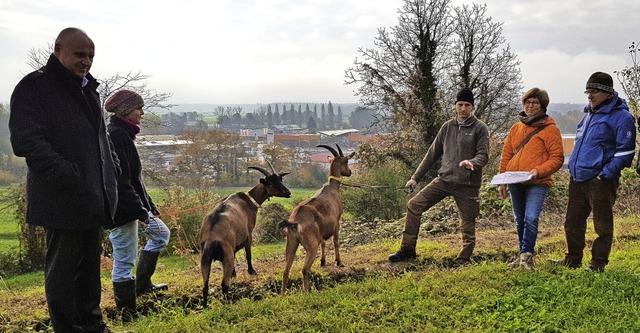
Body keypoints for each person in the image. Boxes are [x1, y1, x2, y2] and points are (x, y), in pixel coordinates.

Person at [9, 28, 118, 332]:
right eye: (79, 54)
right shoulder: (35, 87)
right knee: (64, 274)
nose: (86, 61)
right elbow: (26, 142)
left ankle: (93, 326)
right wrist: (69, 174)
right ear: (58, 50)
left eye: (91, 56)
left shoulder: (87, 88)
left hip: (92, 197)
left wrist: (112, 170)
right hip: (61, 199)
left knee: (88, 274)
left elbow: (99, 141)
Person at [388, 88, 489, 266]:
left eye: (467, 105)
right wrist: (415, 178)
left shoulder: (480, 128)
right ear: (455, 106)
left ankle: (463, 259)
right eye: (460, 105)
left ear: (472, 107)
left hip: (467, 184)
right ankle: (407, 250)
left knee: (467, 222)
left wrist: (472, 162)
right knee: (414, 205)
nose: (463, 108)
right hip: (444, 180)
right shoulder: (447, 127)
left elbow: (483, 155)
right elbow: (431, 154)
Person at [555, 72, 636, 272]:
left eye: (595, 92)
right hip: (578, 178)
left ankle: (598, 264)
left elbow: (625, 152)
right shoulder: (587, 116)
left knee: (602, 225)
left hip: (601, 181)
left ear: (608, 93)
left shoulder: (622, 118)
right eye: (588, 92)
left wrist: (605, 175)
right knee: (572, 222)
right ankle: (572, 260)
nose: (590, 96)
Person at [104, 90, 171, 318]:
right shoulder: (117, 135)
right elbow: (121, 182)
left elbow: (135, 179)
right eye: (138, 108)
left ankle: (142, 286)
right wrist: (141, 212)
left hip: (133, 208)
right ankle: (127, 313)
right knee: (124, 259)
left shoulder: (124, 133)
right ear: (125, 111)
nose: (142, 112)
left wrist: (149, 207)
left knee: (161, 234)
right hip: (121, 211)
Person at [497, 88, 564, 270]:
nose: (530, 106)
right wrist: (502, 179)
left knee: (531, 218)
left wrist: (538, 171)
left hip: (538, 182)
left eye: (534, 102)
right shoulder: (516, 128)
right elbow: (507, 155)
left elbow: (557, 159)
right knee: (520, 220)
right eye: (527, 102)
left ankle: (527, 255)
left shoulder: (550, 129)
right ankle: (523, 256)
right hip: (514, 181)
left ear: (542, 106)